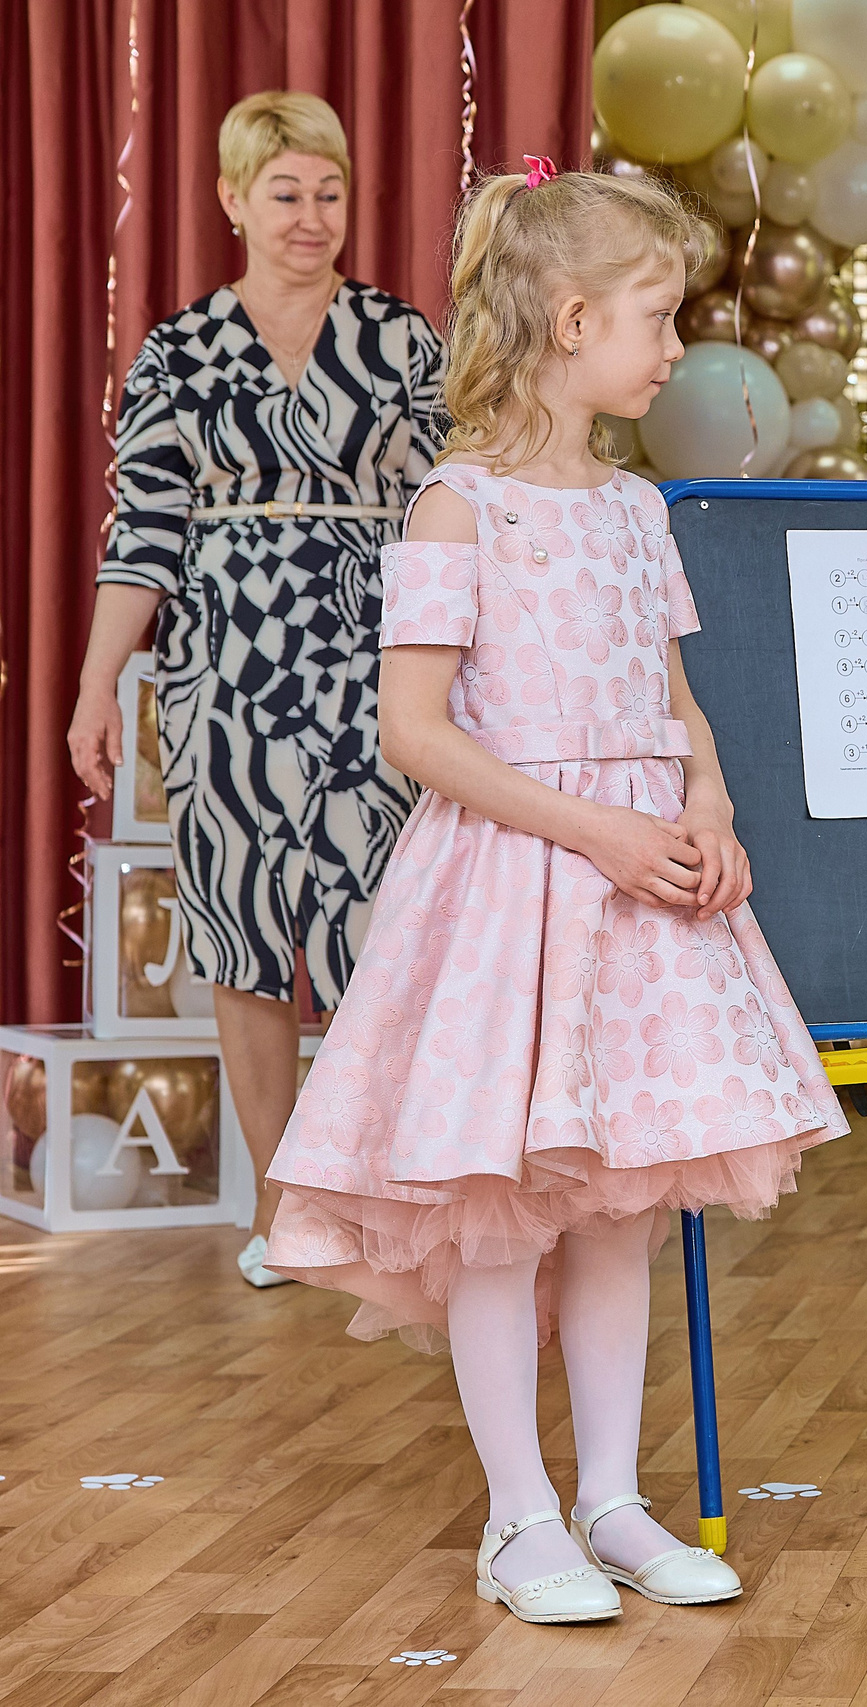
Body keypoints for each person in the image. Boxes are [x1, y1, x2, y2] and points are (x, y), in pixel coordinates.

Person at [261, 162, 850, 1623]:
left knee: (617, 1210)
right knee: (506, 1210)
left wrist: (705, 802)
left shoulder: (638, 511)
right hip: (513, 894)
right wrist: (596, 824)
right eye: (656, 317)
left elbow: (676, 700)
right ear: (571, 317)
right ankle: (519, 1515)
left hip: (644, 899)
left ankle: (612, 1496)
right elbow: (418, 732)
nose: (673, 347)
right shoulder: (461, 511)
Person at [66, 92, 446, 1289]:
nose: (310, 215)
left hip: (374, 665)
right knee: (242, 940)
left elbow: (458, 514)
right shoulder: (178, 350)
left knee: (377, 935)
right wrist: (93, 694)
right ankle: (287, 1209)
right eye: (285, 193)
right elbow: (141, 537)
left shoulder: (402, 340)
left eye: (328, 193)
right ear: (232, 200)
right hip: (220, 677)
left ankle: (381, 1194)